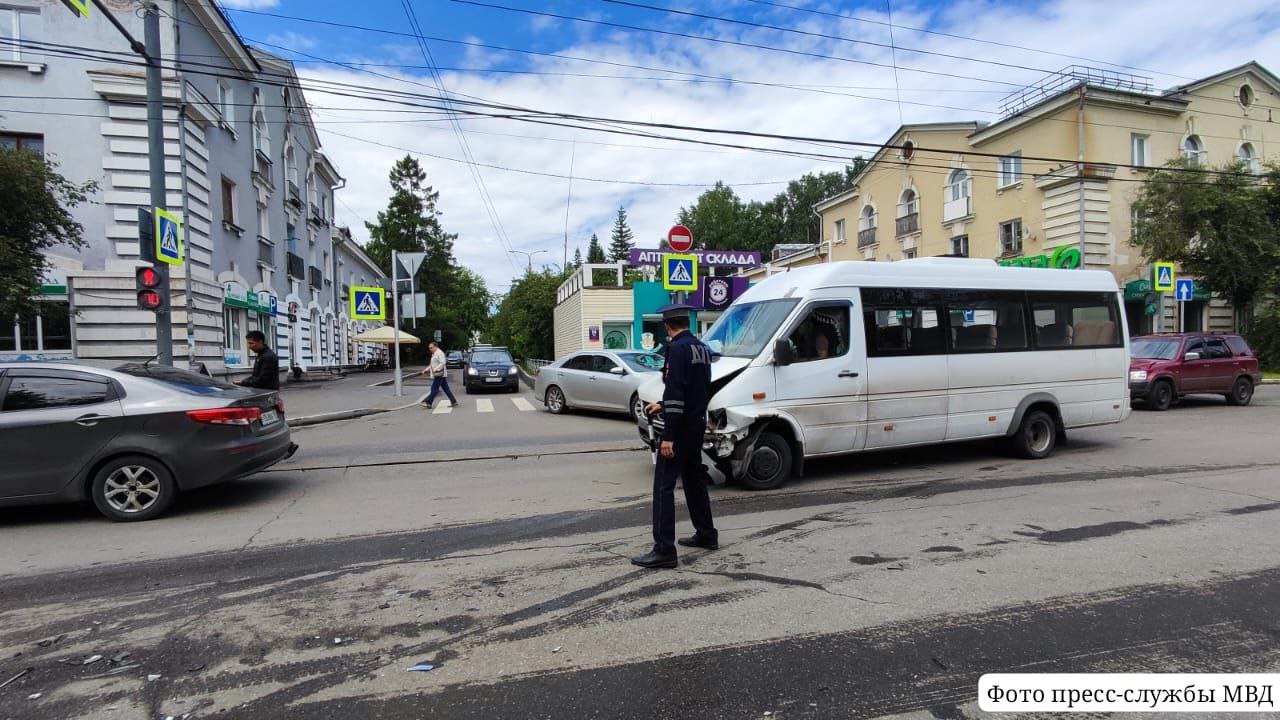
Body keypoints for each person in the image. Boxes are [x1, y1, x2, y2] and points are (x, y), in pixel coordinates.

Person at [632, 303, 718, 569]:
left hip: (678, 430)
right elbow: (695, 389)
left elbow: (677, 390)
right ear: (688, 323)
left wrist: (668, 436)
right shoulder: (702, 349)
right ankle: (706, 534)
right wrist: (663, 403)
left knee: (663, 487)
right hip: (696, 425)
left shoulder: (676, 349)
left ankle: (664, 550)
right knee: (694, 481)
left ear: (668, 327)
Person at [421, 341, 459, 409]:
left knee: (434, 388)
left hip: (439, 374)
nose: (430, 349)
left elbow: (443, 363)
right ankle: (453, 401)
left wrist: (436, 369)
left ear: (436, 347)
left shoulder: (439, 353)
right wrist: (426, 369)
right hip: (440, 374)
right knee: (446, 388)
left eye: (431, 348)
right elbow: (432, 364)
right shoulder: (434, 353)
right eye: (429, 348)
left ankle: (429, 403)